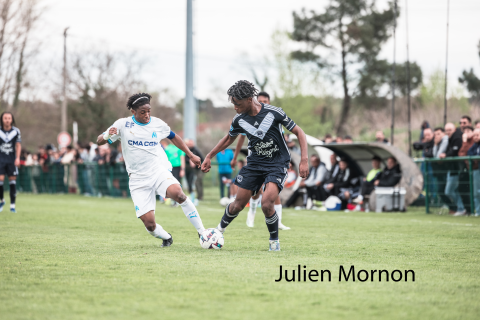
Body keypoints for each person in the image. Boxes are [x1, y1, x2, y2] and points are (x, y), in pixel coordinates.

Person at [201, 81, 309, 251]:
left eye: (237, 104)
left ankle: (274, 241)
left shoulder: (274, 112)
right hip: (255, 163)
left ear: (249, 99)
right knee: (237, 204)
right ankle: (217, 232)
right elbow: (229, 139)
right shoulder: (239, 119)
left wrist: (304, 160)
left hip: (277, 163)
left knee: (266, 203)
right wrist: (209, 155)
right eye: (233, 104)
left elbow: (299, 132)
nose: (235, 108)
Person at [96, 93, 205, 247]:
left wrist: (191, 155)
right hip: (137, 179)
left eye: (149, 111)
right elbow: (99, 141)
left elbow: (174, 137)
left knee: (179, 195)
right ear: (133, 112)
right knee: (150, 225)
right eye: (142, 112)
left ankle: (202, 233)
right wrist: (107, 135)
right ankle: (166, 237)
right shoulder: (123, 124)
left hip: (157, 171)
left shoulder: (157, 124)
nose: (147, 115)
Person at [231, 91, 290, 230]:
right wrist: (235, 157)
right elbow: (240, 138)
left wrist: (285, 159)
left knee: (273, 191)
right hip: (257, 160)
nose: (263, 102)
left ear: (269, 102)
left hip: (274, 160)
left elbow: (282, 141)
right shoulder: (248, 118)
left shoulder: (274, 117)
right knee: (255, 191)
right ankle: (251, 213)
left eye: (265, 101)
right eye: (260, 100)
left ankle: (278, 221)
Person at [440, 123, 464, 215]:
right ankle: (460, 208)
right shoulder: (449, 139)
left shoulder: (457, 137)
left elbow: (455, 151)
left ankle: (461, 208)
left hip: (456, 169)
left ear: (454, 130)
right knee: (452, 190)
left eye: (450, 130)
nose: (448, 132)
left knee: (449, 191)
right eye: (447, 130)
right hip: (451, 169)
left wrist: (446, 155)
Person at [0, 112, 21, 213]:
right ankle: (2, 200)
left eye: (9, 118)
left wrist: (17, 158)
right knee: (0, 181)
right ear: (2, 119)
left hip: (11, 160)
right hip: (1, 160)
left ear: (12, 119)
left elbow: (18, 145)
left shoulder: (16, 131)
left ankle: (12, 206)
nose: (7, 120)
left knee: (12, 183)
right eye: (5, 118)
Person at [455, 126, 475, 216]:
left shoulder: (474, 142)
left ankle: (474, 210)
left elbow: (468, 152)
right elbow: (461, 154)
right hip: (466, 169)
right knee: (462, 188)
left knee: (474, 191)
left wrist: (465, 141)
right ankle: (468, 209)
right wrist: (464, 142)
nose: (466, 133)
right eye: (464, 131)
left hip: (474, 169)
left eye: (468, 131)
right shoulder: (464, 142)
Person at [467, 128, 480, 215]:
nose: (475, 137)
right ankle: (478, 211)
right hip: (477, 170)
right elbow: (469, 152)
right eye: (474, 135)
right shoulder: (475, 145)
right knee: (476, 193)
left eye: (477, 135)